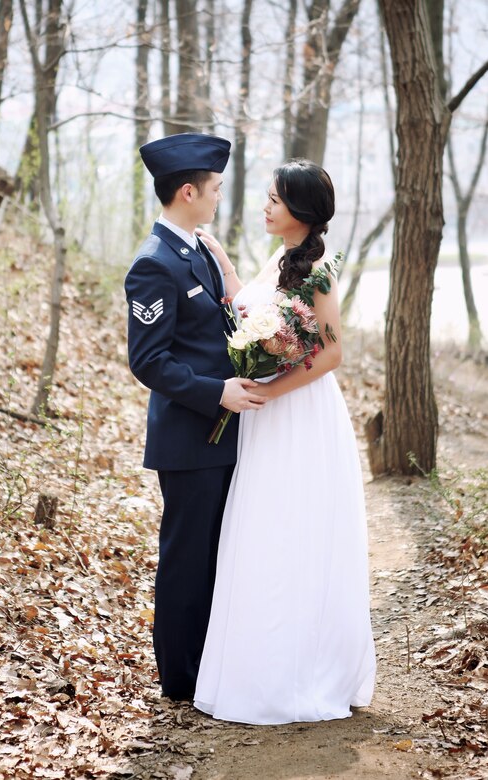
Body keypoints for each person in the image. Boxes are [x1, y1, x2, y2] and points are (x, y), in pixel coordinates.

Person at [193, 159, 376, 724]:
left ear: (300, 210)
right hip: (266, 412)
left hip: (300, 413)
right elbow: (251, 307)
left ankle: (302, 671)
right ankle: (257, 663)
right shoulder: (282, 256)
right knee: (261, 531)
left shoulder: (318, 266)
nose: (265, 206)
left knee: (292, 530)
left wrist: (272, 392)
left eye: (275, 199)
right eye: (268, 197)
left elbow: (331, 352)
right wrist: (222, 260)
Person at [124, 132, 266, 702]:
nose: (217, 200)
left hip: (223, 431)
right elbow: (149, 361)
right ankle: (180, 680)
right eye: (214, 190)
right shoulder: (153, 264)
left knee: (217, 549)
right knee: (187, 556)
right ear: (188, 191)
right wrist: (217, 393)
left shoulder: (199, 248)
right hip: (188, 436)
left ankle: (209, 662)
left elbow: (218, 329)